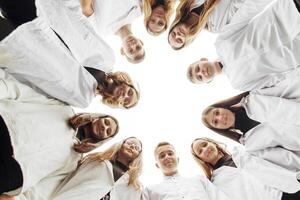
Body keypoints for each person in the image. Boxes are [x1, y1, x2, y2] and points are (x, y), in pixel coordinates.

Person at [0, 0, 140, 109]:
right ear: (129, 84)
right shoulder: (108, 57)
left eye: (126, 101)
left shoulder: (82, 99)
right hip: (41, 11)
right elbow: (82, 24)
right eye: (130, 92)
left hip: (23, 46)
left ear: (118, 104)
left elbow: (44, 88)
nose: (125, 95)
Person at [0, 76, 119, 196]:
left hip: (16, 172)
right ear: (99, 117)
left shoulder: (74, 161)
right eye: (106, 122)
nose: (104, 127)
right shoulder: (64, 109)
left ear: (104, 140)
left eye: (108, 132)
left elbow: (44, 188)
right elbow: (24, 93)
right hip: (7, 127)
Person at [188, 0, 300, 91]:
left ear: (202, 59)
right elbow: (273, 80)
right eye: (200, 77)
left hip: (287, 14)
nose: (201, 72)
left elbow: (245, 14)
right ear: (207, 81)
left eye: (197, 68)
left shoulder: (221, 43)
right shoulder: (239, 84)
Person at [1, 137, 143, 200]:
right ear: (121, 144)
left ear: (139, 155)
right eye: (130, 143)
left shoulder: (134, 186)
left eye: (137, 147)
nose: (132, 147)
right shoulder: (95, 160)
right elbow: (61, 179)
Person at [202, 92, 300, 171]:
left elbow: (289, 93)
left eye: (217, 113)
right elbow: (286, 158)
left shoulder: (254, 98)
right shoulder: (251, 145)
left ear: (222, 107)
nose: (220, 118)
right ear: (219, 129)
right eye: (215, 122)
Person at [191, 137, 300, 200]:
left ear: (213, 143)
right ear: (201, 159)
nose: (205, 149)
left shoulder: (243, 151)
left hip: (291, 183)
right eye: (200, 151)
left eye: (205, 144)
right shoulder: (217, 183)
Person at [142, 142, 229, 200]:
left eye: (170, 153)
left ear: (178, 159)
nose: (167, 157)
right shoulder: (150, 191)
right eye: (162, 156)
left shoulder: (199, 180)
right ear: (157, 165)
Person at [79, 0, 145, 64]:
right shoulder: (138, 11)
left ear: (122, 51)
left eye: (130, 51)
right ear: (141, 42)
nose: (133, 45)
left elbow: (85, 8)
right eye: (138, 47)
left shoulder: (101, 30)